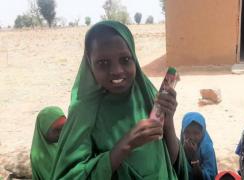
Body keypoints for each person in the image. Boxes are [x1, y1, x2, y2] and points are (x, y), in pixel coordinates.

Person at [50, 21, 188, 179]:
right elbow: (68, 176)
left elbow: (169, 161)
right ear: (89, 64)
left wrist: (168, 121)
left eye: (125, 60)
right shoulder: (84, 113)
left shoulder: (148, 95)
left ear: (134, 59)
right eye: (103, 63)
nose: (116, 71)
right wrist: (125, 146)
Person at [30, 106, 67, 180]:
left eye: (65, 127)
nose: (62, 132)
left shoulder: (64, 142)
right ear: (44, 130)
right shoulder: (39, 157)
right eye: (57, 130)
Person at [181, 112, 218, 179]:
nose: (191, 137)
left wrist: (194, 158)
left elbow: (209, 176)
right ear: (182, 131)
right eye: (187, 132)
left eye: (196, 133)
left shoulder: (207, 149)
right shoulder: (180, 146)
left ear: (203, 133)